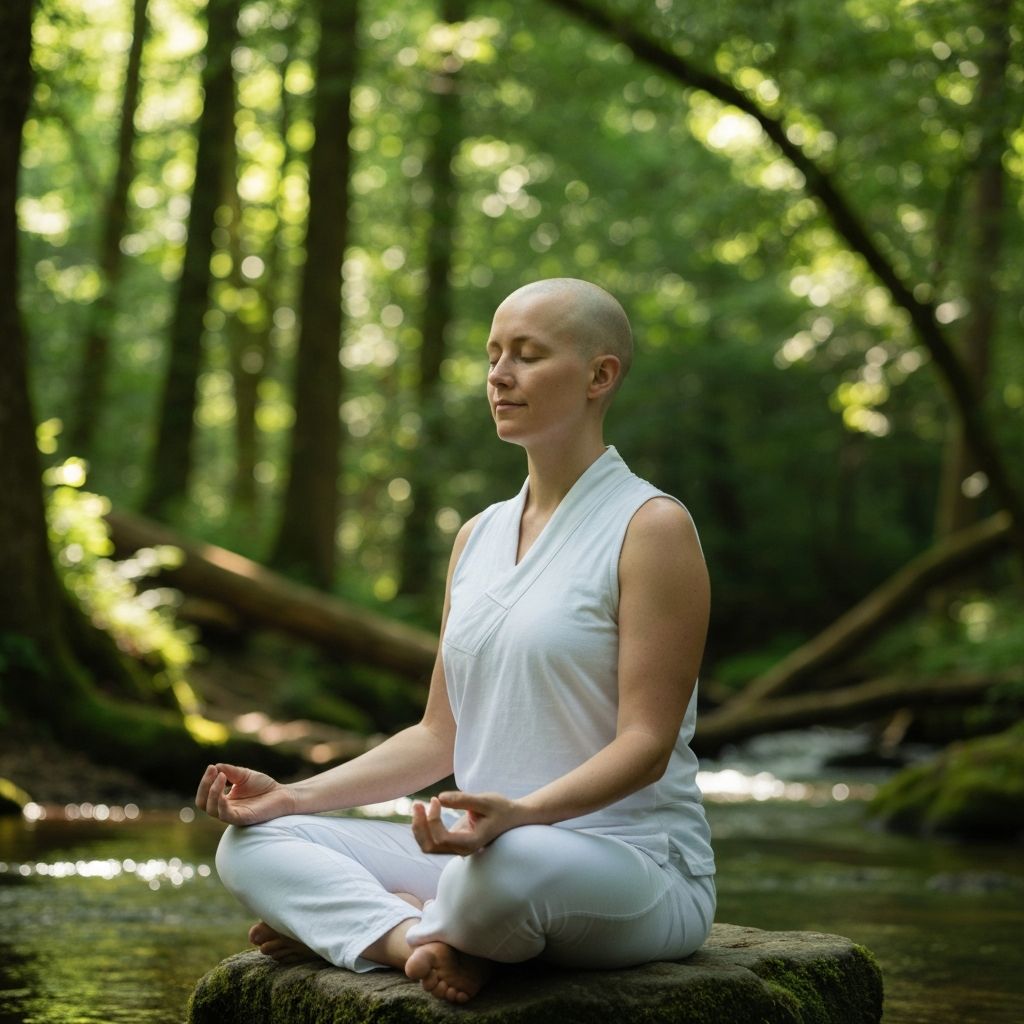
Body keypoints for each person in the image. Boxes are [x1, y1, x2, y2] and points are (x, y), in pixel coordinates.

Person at [195, 277, 715, 1004]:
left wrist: (522, 815)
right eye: (494, 354)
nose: (500, 375)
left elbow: (646, 743)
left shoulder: (651, 527)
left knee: (506, 870)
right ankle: (414, 940)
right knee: (251, 845)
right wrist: (292, 797)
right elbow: (439, 735)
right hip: (479, 857)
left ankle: (374, 928)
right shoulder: (477, 536)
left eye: (528, 356)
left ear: (601, 376)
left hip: (628, 865)